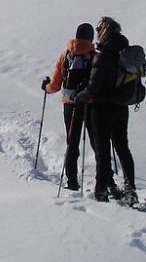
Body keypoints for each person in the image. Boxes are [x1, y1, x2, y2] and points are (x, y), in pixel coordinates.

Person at [74, 16, 138, 205]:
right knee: (122, 147)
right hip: (121, 107)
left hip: (101, 109)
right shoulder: (126, 52)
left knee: (102, 151)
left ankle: (101, 189)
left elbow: (93, 87)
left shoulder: (103, 56)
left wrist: (80, 96)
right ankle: (130, 189)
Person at [41, 23, 96, 191]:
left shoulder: (65, 54)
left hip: (70, 104)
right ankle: (107, 181)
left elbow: (56, 85)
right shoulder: (95, 56)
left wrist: (46, 87)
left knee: (72, 143)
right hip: (90, 104)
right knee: (96, 142)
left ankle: (71, 181)